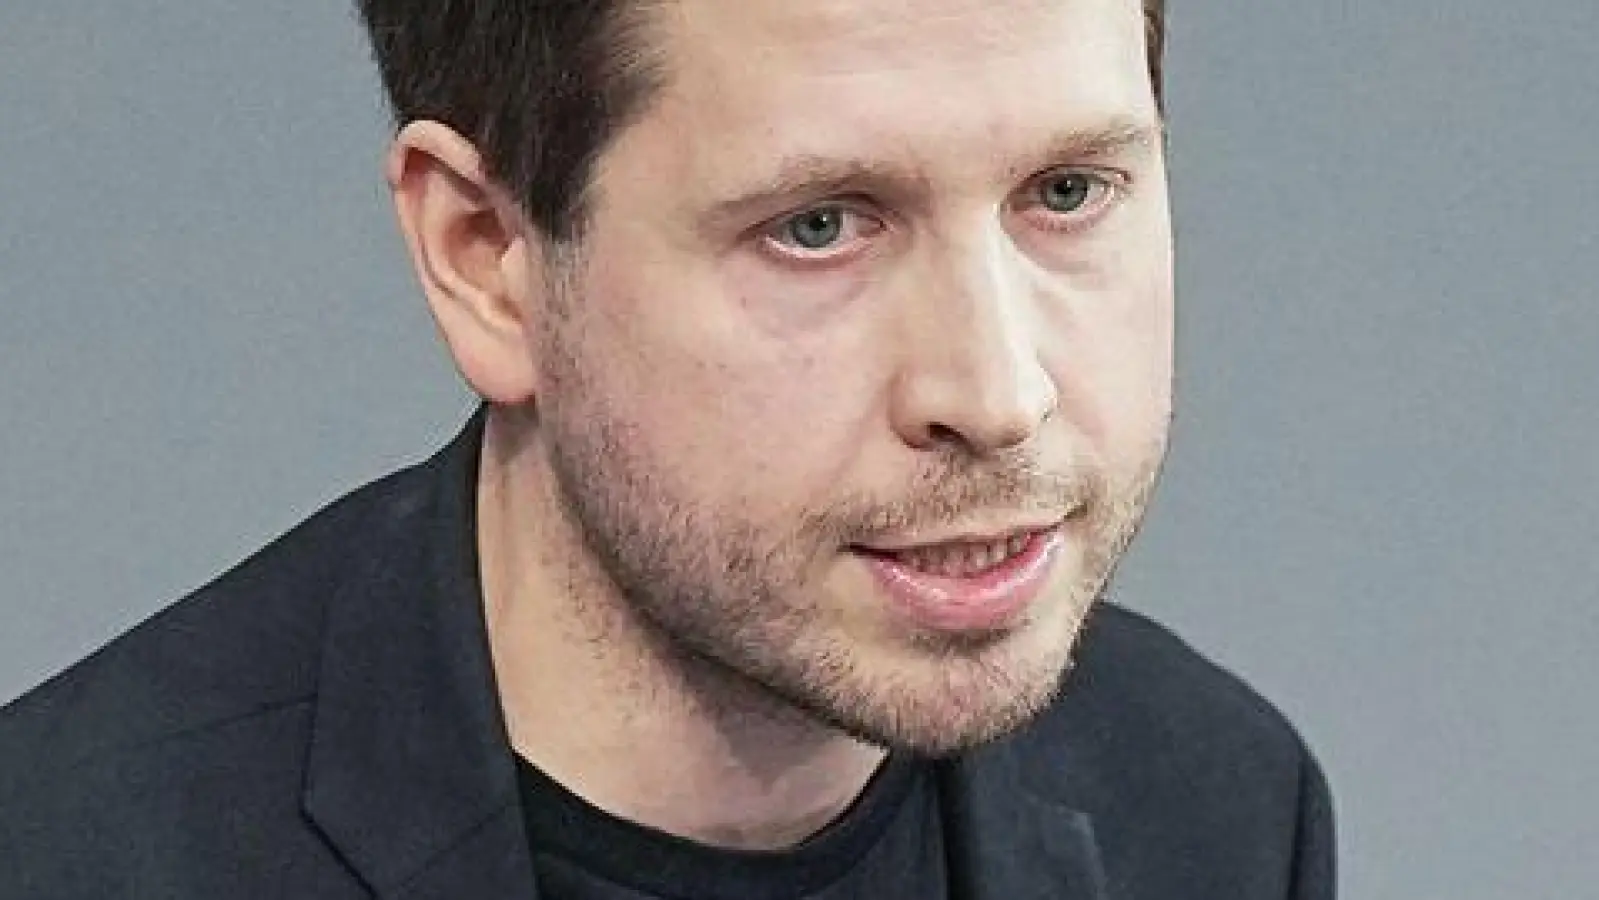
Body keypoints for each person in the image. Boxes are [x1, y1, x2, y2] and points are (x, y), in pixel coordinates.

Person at [0, 0, 1334, 897]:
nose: (994, 393)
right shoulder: (65, 855)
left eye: (1064, 192)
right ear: (486, 262)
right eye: (819, 225)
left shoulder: (1218, 810)